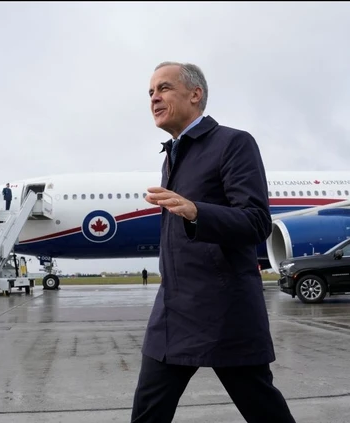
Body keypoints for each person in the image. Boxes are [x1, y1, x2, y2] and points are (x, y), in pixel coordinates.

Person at [130, 62, 296, 422]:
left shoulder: (233, 143)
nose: (154, 98)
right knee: (148, 411)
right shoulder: (173, 154)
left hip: (224, 309)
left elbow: (256, 222)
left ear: (195, 94)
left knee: (263, 409)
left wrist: (196, 212)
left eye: (164, 88)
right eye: (151, 92)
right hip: (173, 309)